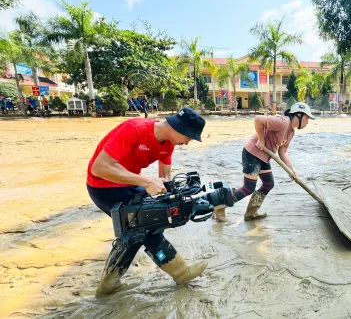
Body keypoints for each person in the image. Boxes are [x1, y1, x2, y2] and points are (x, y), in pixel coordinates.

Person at [86, 107, 207, 296]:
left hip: (129, 184)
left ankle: (109, 286)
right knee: (137, 230)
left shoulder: (168, 144)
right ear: (180, 130)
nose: (187, 143)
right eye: (189, 138)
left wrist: (175, 193)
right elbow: (99, 168)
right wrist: (145, 181)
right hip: (103, 187)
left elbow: (165, 175)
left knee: (151, 223)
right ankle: (107, 287)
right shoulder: (134, 129)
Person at [213, 102, 315, 222]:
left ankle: (251, 213)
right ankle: (220, 205)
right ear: (299, 115)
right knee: (248, 187)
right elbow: (258, 120)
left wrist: (291, 170)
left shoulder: (291, 132)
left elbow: (283, 152)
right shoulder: (283, 122)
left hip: (264, 157)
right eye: (307, 118)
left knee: (268, 183)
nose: (308, 122)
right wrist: (261, 139)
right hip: (252, 153)